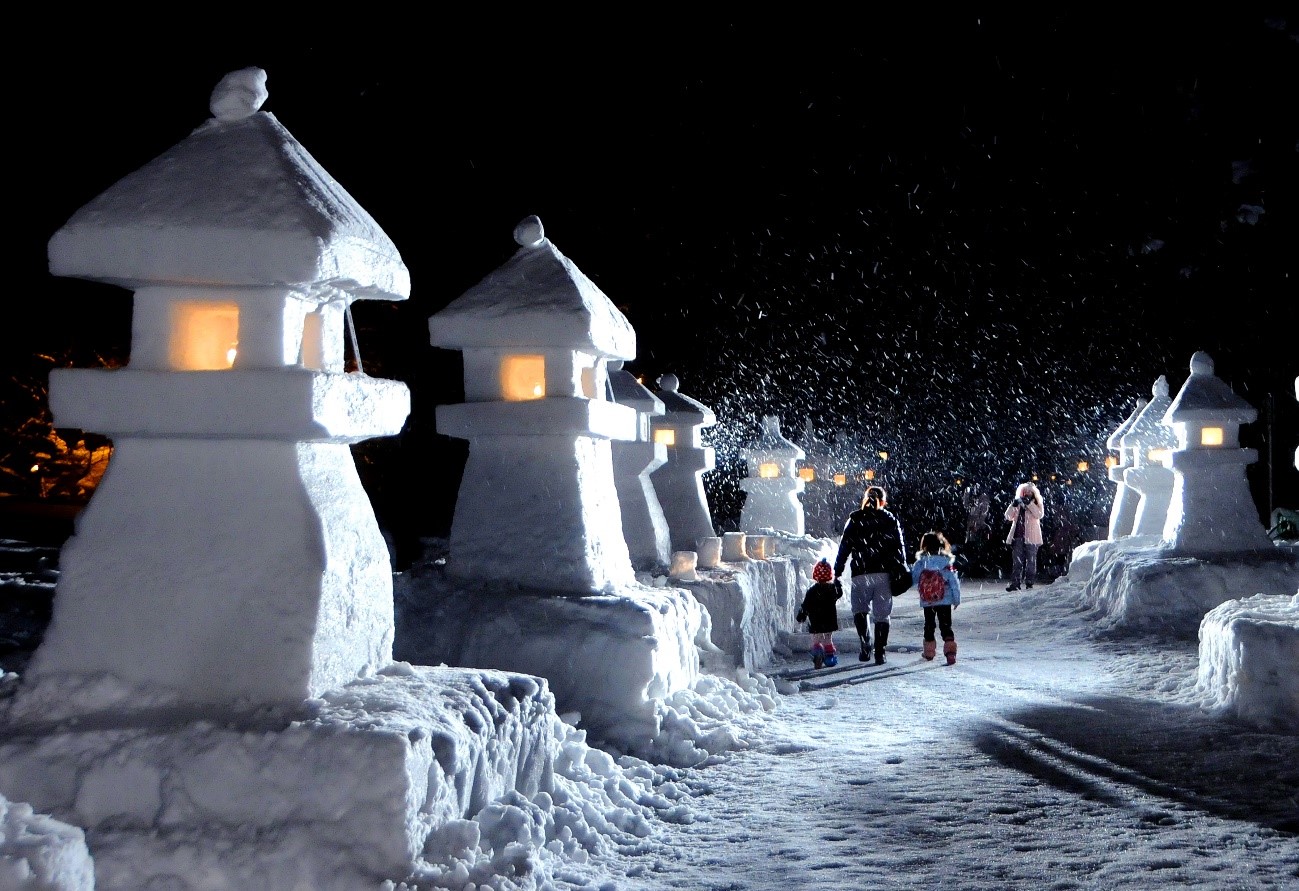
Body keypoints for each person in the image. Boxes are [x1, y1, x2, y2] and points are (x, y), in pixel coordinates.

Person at [833, 485, 908, 665]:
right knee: (882, 615)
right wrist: (902, 568)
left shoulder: (855, 519)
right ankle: (880, 651)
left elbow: (844, 548)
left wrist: (837, 571)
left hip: (861, 572)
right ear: (883, 502)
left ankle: (865, 642)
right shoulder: (889, 519)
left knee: (860, 610)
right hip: (883, 573)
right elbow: (898, 547)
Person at [911, 531, 962, 664]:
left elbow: (915, 578)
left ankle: (929, 652)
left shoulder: (922, 562)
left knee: (929, 625)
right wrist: (956, 599)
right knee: (946, 626)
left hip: (928, 601)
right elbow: (953, 582)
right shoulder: (946, 562)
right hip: (944, 600)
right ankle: (950, 652)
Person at [796, 558, 843, 668]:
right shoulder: (832, 589)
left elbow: (805, 605)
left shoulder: (812, 591)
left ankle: (817, 655)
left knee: (816, 641)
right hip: (828, 622)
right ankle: (830, 658)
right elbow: (839, 594)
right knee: (828, 641)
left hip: (815, 622)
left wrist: (801, 616)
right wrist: (837, 583)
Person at [1003, 481, 1044, 591]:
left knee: (1031, 561)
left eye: (1029, 492)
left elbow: (1039, 515)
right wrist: (1013, 505)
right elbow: (1008, 516)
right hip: (1018, 536)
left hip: (1032, 536)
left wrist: (1030, 504)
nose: (1027, 494)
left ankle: (1029, 582)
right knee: (1017, 561)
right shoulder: (1018, 503)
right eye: (1025, 492)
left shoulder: (1037, 503)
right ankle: (1015, 583)